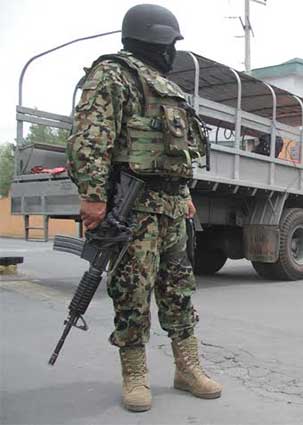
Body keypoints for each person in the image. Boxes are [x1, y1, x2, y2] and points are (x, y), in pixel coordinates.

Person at [66, 4, 222, 412]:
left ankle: (187, 367)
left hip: (171, 205)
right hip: (133, 207)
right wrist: (93, 196)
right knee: (132, 291)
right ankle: (135, 374)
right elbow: (92, 138)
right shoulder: (113, 74)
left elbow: (180, 152)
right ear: (155, 39)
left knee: (179, 290)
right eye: (171, 42)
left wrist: (185, 194)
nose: (173, 51)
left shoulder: (165, 86)